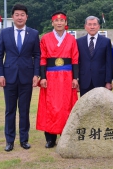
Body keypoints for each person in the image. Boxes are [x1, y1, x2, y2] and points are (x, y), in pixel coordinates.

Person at [0, 4, 40, 152]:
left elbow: (37, 55)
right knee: (10, 110)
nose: (20, 17)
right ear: (13, 17)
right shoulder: (4, 33)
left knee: (25, 110)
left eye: (22, 15)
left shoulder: (33, 34)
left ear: (26, 17)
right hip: (9, 77)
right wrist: (0, 74)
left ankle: (24, 139)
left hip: (27, 77)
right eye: (17, 14)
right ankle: (9, 141)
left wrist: (36, 74)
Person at [36, 11, 79, 148]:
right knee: (50, 106)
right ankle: (50, 138)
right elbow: (42, 58)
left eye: (62, 21)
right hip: (51, 77)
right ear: (52, 23)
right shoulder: (45, 38)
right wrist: (42, 77)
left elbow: (75, 59)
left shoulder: (71, 39)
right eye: (56, 21)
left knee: (66, 106)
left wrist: (75, 78)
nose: (59, 23)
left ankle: (66, 136)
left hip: (67, 76)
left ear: (66, 23)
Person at [76, 16, 113, 96]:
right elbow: (77, 62)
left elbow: (109, 62)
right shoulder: (78, 42)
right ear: (85, 26)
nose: (92, 27)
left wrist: (108, 81)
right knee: (85, 106)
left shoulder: (106, 41)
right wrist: (77, 80)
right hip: (84, 80)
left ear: (98, 26)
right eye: (89, 24)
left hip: (101, 81)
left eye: (94, 24)